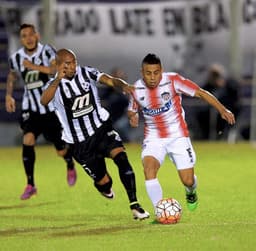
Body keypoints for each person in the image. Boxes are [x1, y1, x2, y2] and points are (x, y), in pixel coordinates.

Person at [40, 48, 150, 220]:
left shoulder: (86, 72)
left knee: (121, 158)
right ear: (60, 65)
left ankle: (135, 205)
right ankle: (104, 187)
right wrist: (57, 79)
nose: (73, 66)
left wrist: (124, 86)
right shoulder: (53, 87)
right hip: (80, 144)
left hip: (101, 129)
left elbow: (109, 80)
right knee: (104, 182)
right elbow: (44, 100)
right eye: (68, 63)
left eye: (74, 61)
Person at [127, 54, 235, 213]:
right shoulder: (135, 89)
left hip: (178, 137)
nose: (152, 77)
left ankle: (191, 191)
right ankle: (160, 211)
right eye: (148, 73)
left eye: (156, 73)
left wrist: (222, 109)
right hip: (153, 138)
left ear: (161, 71)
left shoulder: (173, 81)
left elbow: (201, 93)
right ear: (142, 72)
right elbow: (132, 109)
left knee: (188, 180)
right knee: (149, 170)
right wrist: (133, 116)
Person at [5, 23, 77, 200]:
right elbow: (12, 75)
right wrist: (9, 95)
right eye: (24, 35)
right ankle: (31, 184)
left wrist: (33, 66)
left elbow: (55, 70)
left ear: (37, 35)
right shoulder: (16, 58)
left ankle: (69, 163)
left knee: (60, 149)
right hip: (31, 108)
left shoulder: (46, 51)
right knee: (28, 139)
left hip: (50, 107)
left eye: (31, 34)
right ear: (21, 39)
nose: (28, 38)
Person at [197, 63, 240, 140]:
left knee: (228, 119)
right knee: (202, 116)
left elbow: (236, 94)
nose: (215, 77)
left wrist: (224, 84)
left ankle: (225, 136)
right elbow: (201, 94)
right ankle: (206, 137)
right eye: (213, 75)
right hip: (211, 111)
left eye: (216, 75)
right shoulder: (208, 85)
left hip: (228, 109)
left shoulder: (229, 83)